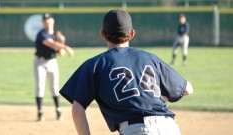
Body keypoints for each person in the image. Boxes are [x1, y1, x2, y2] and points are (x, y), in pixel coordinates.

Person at [59, 10, 193, 135]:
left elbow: (77, 109)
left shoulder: (95, 64)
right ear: (132, 34)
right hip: (169, 127)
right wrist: (153, 99)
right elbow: (188, 89)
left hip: (135, 130)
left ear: (102, 34)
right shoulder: (150, 58)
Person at [34, 13, 74, 121]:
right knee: (39, 86)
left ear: (53, 21)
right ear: (43, 22)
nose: (47, 21)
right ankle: (40, 112)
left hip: (52, 62)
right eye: (45, 19)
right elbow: (50, 43)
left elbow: (60, 54)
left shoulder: (56, 34)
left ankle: (58, 110)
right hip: (40, 62)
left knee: (54, 87)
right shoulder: (41, 34)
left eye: (49, 19)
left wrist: (62, 41)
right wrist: (66, 47)